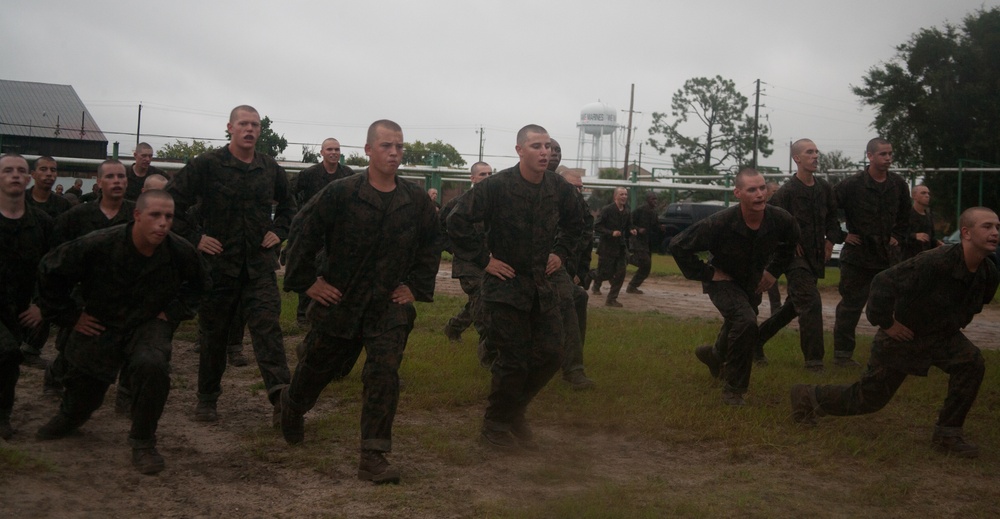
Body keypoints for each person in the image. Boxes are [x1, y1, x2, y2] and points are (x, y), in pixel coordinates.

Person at [280, 120, 439, 484]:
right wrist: (308, 282)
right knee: (319, 365)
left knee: (383, 372)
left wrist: (415, 286)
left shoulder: (414, 199)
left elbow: (432, 241)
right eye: (386, 146)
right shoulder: (342, 192)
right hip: (342, 300)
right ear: (368, 150)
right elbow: (303, 230)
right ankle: (293, 404)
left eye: (399, 146)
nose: (394, 152)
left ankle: (373, 454)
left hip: (387, 305)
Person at [791, 207, 999, 458]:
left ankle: (948, 433)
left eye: (997, 227)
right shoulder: (935, 261)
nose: (994, 232)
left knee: (971, 363)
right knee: (868, 399)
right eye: (986, 227)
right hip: (904, 335)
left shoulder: (988, 272)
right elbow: (883, 282)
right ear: (966, 232)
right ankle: (808, 397)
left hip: (942, 336)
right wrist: (887, 323)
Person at [35, 190, 208, 474]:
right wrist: (70, 315)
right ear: (137, 215)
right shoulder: (100, 243)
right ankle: (70, 416)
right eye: (155, 215)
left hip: (148, 322)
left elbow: (201, 284)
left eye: (169, 216)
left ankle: (143, 441)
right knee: (85, 391)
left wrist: (173, 313)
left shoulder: (179, 250)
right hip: (101, 321)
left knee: (151, 366)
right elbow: (50, 270)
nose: (163, 223)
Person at [448, 124, 585, 449]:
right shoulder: (497, 186)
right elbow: (456, 220)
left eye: (548, 146)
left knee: (552, 353)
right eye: (536, 146)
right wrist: (484, 260)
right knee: (513, 359)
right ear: (520, 150)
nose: (544, 152)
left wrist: (560, 253)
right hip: (505, 285)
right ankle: (494, 428)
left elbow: (577, 222)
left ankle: (513, 411)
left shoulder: (557, 187)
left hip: (542, 285)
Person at [167, 105, 294, 424]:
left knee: (268, 330)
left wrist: (278, 231)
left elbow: (292, 206)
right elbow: (171, 203)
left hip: (258, 267)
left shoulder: (269, 167)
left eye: (254, 124)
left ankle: (282, 400)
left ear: (259, 130)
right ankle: (207, 398)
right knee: (214, 334)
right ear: (230, 128)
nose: (249, 129)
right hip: (218, 266)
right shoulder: (207, 165)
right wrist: (196, 237)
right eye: (243, 124)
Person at [670, 168, 799, 406]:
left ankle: (715, 355)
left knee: (738, 322)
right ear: (738, 193)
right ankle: (734, 390)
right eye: (752, 189)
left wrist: (773, 271)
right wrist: (708, 272)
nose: (760, 194)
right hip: (723, 281)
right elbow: (678, 245)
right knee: (745, 321)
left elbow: (790, 244)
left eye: (762, 188)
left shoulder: (781, 219)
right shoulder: (719, 223)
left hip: (752, 282)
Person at [45, 160, 135, 398]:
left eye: (121, 177)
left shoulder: (136, 215)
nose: (117, 181)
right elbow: (56, 257)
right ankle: (54, 380)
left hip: (126, 292)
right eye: (110, 177)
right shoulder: (77, 216)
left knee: (131, 345)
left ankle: (125, 393)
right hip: (85, 293)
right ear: (98, 182)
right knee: (73, 342)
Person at [755, 139, 842, 371]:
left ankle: (754, 341)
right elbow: (768, 223)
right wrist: (788, 242)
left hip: (815, 258)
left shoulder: (824, 189)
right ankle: (814, 362)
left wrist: (830, 240)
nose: (815, 156)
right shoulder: (786, 192)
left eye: (816, 152)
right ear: (797, 159)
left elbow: (833, 220)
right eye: (809, 152)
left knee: (793, 307)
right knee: (811, 303)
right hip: (793, 259)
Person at [832, 138, 911, 367]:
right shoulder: (852, 184)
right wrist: (840, 235)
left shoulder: (898, 184)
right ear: (870, 156)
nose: (888, 158)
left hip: (888, 257)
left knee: (894, 306)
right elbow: (827, 208)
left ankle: (892, 353)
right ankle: (843, 355)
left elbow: (905, 217)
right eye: (883, 154)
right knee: (851, 306)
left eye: (890, 154)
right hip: (858, 256)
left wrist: (898, 236)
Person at [0, 154, 54, 439]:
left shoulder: (42, 224)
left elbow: (54, 269)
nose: (15, 175)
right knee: (6, 351)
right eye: (7, 170)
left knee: (9, 361)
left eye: (21, 170)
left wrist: (41, 305)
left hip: (19, 309)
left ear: (28, 177)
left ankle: (3, 414)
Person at [290, 138, 355, 327]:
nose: (333, 152)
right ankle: (303, 315)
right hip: (313, 232)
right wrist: (299, 215)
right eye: (329, 149)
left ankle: (333, 310)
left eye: (336, 149)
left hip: (338, 234)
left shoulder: (347, 174)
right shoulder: (309, 174)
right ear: (322, 152)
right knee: (310, 271)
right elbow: (289, 192)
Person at [548, 139, 595, 389]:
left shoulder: (580, 209)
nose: (551, 153)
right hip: (518, 264)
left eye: (556, 150)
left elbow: (583, 244)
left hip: (557, 267)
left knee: (575, 299)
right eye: (572, 187)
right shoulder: (524, 186)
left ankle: (573, 367)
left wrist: (578, 274)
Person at [21, 156, 71, 370]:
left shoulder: (62, 205)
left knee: (46, 303)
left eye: (53, 169)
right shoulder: (20, 199)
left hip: (48, 266)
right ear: (33, 174)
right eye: (43, 169)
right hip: (19, 263)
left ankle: (31, 350)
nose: (49, 174)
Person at [440, 161, 491, 355]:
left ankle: (454, 327)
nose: (487, 178)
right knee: (482, 298)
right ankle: (488, 349)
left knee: (478, 301)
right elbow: (438, 228)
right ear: (473, 178)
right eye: (483, 174)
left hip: (489, 262)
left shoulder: (495, 203)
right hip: (467, 263)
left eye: (490, 174)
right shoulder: (459, 203)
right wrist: (454, 248)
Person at [590, 187, 636, 307]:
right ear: (615, 196)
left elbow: (629, 225)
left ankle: (611, 299)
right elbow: (597, 226)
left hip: (620, 247)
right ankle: (590, 276)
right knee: (605, 273)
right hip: (607, 247)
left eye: (626, 194)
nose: (624, 197)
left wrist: (632, 230)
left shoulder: (627, 211)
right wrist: (611, 233)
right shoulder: (607, 210)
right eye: (621, 194)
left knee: (621, 273)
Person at [626, 192, 660, 294]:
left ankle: (632, 286)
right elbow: (629, 223)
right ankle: (627, 258)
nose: (655, 201)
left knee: (646, 267)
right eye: (653, 199)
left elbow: (655, 226)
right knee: (645, 262)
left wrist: (661, 228)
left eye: (656, 199)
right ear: (648, 200)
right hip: (637, 241)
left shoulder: (654, 212)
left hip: (647, 243)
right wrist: (638, 229)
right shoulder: (640, 210)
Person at [900, 184, 941, 261]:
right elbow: (898, 236)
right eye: (923, 193)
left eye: (928, 193)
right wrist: (914, 236)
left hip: (925, 260)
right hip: (909, 260)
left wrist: (937, 243)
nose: (927, 196)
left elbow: (931, 237)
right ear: (914, 196)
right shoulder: (906, 215)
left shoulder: (928, 216)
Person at [764, 181, 783, 315]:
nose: (778, 194)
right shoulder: (763, 209)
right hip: (767, 250)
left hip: (781, 249)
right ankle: (775, 309)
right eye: (774, 191)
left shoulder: (783, 209)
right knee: (770, 279)